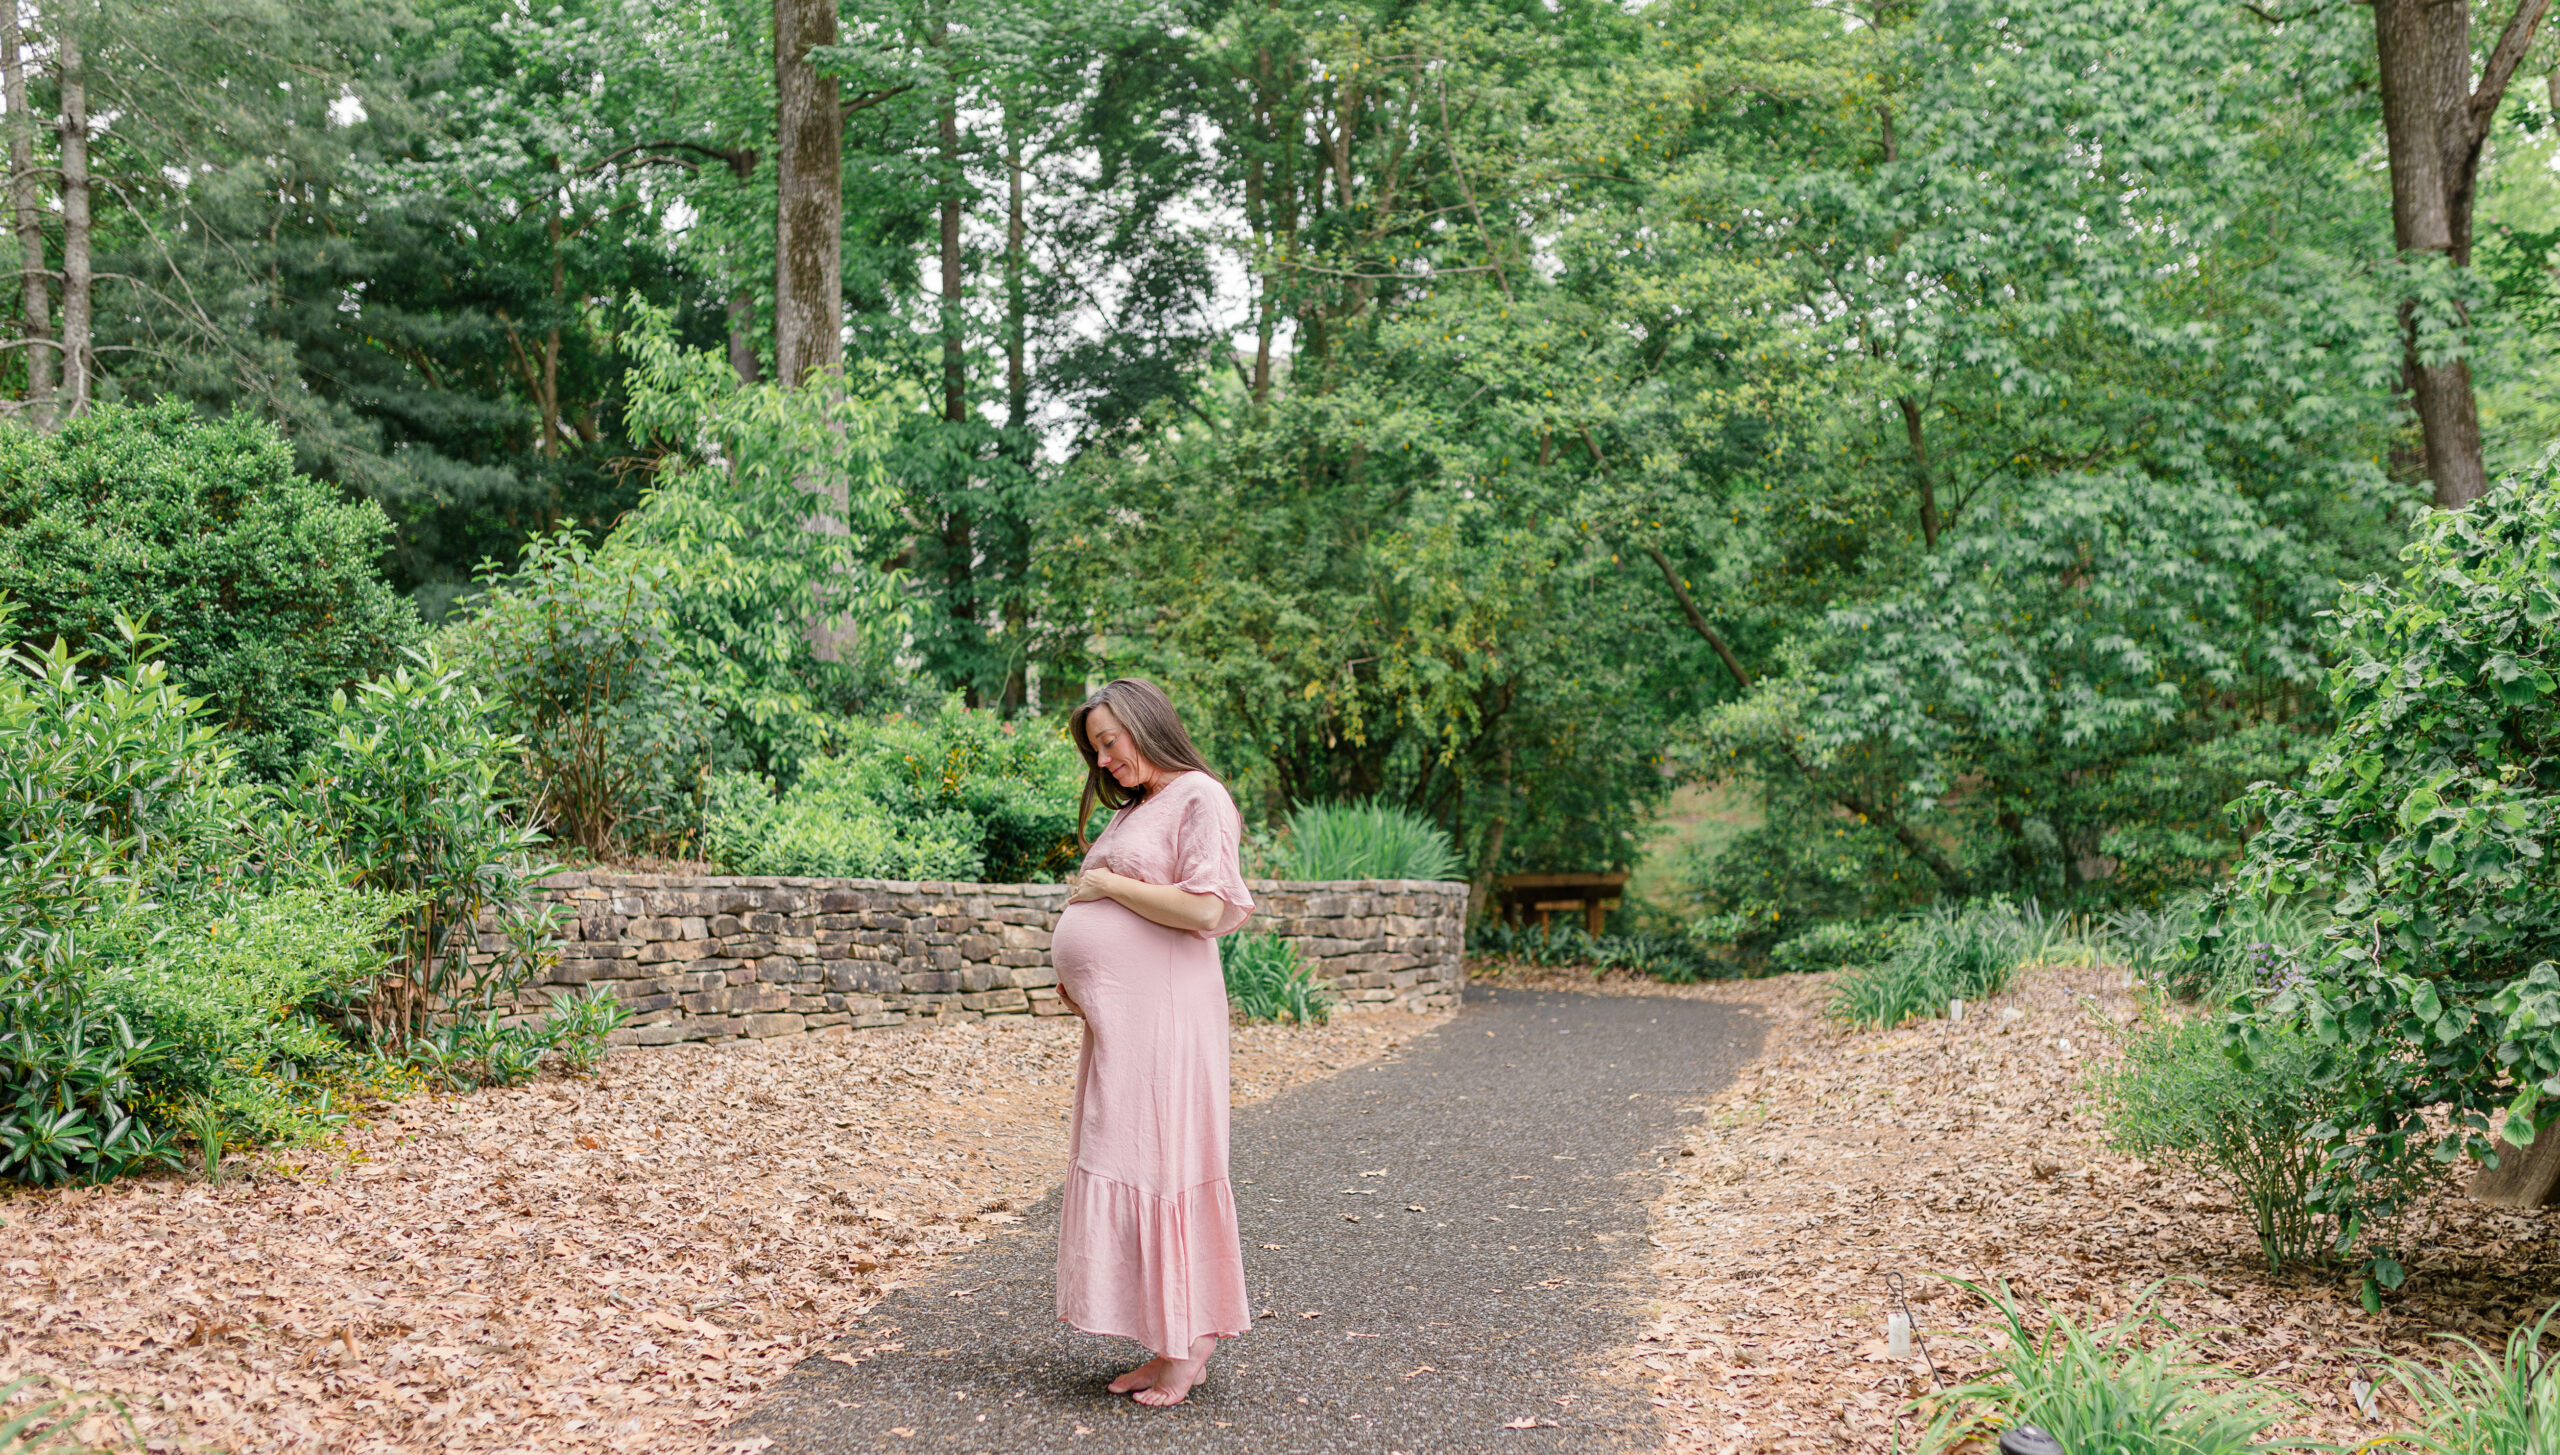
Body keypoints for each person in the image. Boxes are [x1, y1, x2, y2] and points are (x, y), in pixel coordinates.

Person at [1050, 678, 1255, 1407]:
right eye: (1095, 749)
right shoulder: (1143, 806)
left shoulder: (1200, 796)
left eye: (1110, 741)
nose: (1103, 760)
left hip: (1168, 1020)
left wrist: (1107, 884)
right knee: (1129, 1155)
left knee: (1166, 1160)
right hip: (1128, 1022)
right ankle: (1165, 1337)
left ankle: (1189, 1347)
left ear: (1146, 723)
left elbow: (1207, 906)